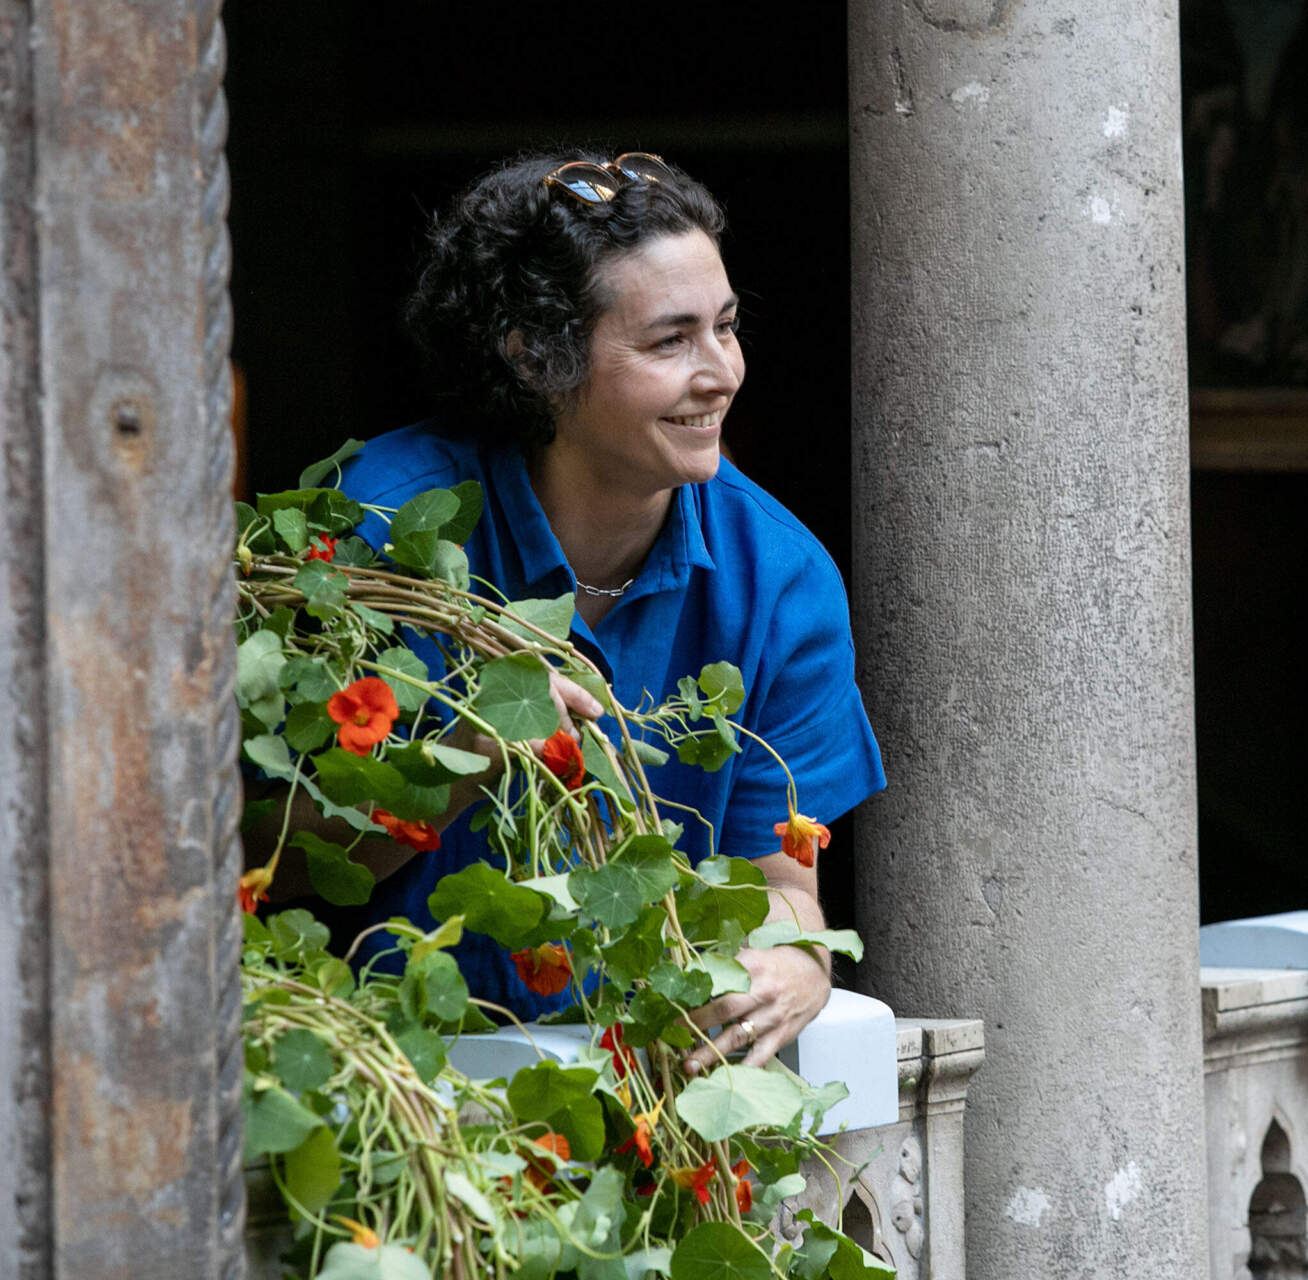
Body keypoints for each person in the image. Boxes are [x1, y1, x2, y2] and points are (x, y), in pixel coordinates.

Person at [250, 151, 884, 1072]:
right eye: (670, 342)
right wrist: (464, 758)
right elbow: (273, 856)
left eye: (727, 328)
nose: (721, 374)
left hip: (639, 1075)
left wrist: (795, 957)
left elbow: (779, 881)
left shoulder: (778, 577)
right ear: (535, 355)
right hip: (377, 1064)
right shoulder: (382, 529)